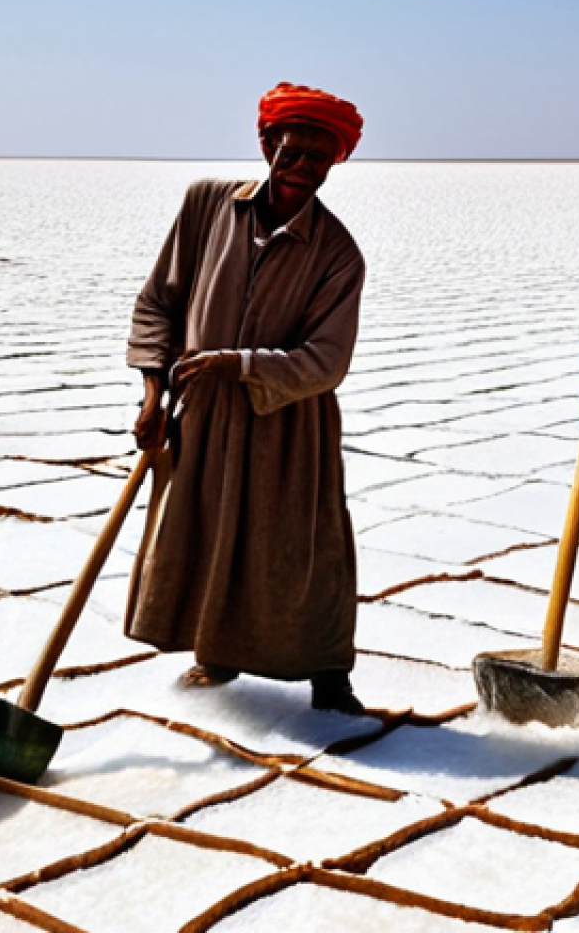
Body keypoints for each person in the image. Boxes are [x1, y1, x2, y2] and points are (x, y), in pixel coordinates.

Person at [124, 82, 366, 713]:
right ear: (266, 144)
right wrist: (153, 393)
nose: (303, 168)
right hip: (200, 417)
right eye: (292, 150)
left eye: (319, 158)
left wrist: (239, 364)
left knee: (304, 553)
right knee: (207, 534)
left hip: (288, 424)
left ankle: (327, 674)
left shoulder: (338, 253)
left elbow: (326, 360)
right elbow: (159, 304)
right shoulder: (207, 206)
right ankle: (218, 652)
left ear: (334, 163)